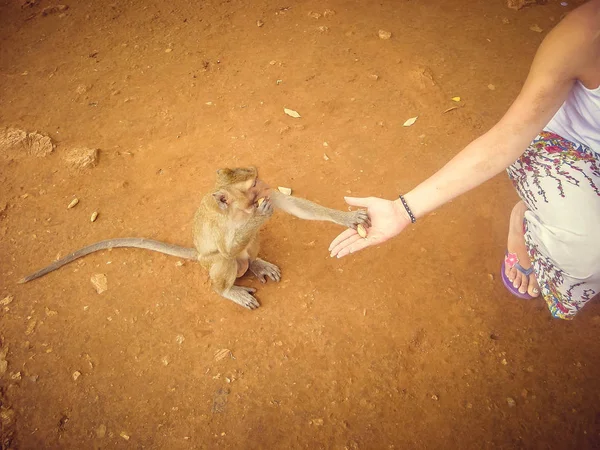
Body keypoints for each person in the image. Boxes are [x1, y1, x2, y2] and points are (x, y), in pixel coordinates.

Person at [328, 0, 600, 320]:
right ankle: (527, 224)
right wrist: (403, 209)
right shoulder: (585, 34)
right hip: (568, 149)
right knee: (588, 255)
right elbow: (506, 139)